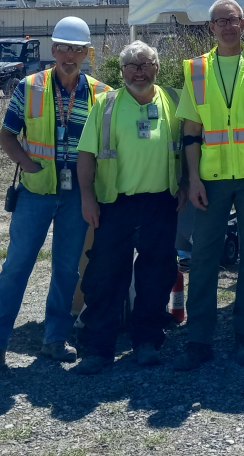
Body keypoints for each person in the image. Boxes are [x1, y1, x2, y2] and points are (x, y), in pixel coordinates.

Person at [0, 16, 109, 372]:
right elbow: (7, 135)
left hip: (76, 194)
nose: (69, 55)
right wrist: (29, 165)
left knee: (67, 269)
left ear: (86, 53)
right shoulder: (29, 86)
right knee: (17, 266)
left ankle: (56, 339)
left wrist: (91, 193)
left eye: (77, 49)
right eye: (63, 48)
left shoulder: (102, 94)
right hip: (35, 191)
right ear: (53, 50)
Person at [172, 0, 244, 370]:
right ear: (211, 27)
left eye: (234, 20)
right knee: (203, 259)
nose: (228, 26)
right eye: (221, 21)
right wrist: (193, 178)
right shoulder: (195, 69)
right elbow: (191, 129)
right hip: (212, 180)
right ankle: (199, 339)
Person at [73, 41, 183, 372]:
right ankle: (98, 348)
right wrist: (87, 197)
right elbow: (86, 156)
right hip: (114, 205)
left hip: (161, 203)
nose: (139, 71)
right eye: (131, 66)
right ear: (121, 72)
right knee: (104, 276)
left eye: (145, 64)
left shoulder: (175, 102)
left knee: (156, 275)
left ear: (157, 68)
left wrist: (187, 184)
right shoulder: (105, 105)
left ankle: (147, 341)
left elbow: (191, 147)